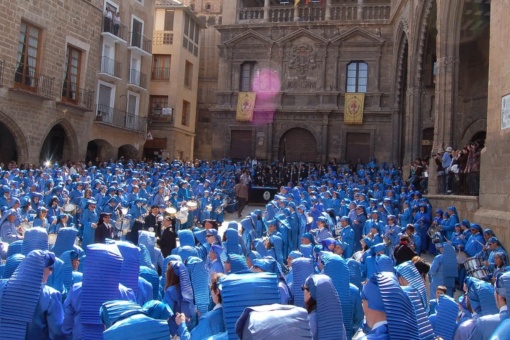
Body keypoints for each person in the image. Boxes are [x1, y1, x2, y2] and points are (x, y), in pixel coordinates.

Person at [0, 250, 64, 340]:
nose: (50, 273)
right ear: (40, 268)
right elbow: (57, 333)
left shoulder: (2, 286)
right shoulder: (50, 295)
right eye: (50, 268)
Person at [303, 273, 346, 340]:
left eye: (303, 288)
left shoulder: (310, 320)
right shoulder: (337, 321)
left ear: (310, 292)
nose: (303, 292)